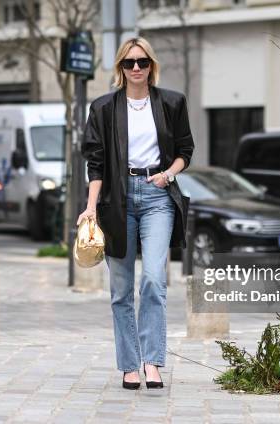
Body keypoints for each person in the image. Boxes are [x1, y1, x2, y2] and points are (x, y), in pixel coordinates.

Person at [79, 37, 194, 390]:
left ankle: (152, 361)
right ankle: (129, 366)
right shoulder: (103, 108)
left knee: (155, 281)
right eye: (129, 63)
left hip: (158, 195)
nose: (136, 69)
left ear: (151, 65)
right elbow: (95, 164)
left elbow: (185, 150)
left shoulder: (172, 102)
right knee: (121, 289)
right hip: (118, 198)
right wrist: (90, 208)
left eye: (142, 62)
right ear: (120, 68)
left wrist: (169, 174)